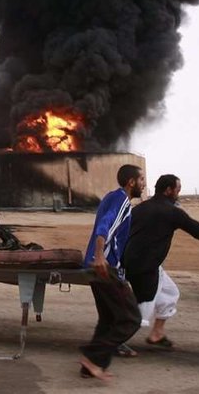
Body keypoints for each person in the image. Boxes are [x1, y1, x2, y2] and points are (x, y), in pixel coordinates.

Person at [122, 174, 199, 349]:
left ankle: (157, 334)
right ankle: (114, 342)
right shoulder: (172, 212)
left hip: (140, 263)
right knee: (143, 309)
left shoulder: (140, 208)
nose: (178, 193)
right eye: (177, 189)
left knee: (170, 294)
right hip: (145, 266)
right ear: (168, 190)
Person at [79, 164, 144, 382]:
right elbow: (105, 226)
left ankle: (89, 368)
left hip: (94, 266)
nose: (144, 184)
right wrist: (100, 256)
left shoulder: (110, 197)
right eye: (141, 180)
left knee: (107, 319)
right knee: (130, 318)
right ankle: (93, 358)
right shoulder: (122, 201)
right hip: (103, 267)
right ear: (131, 182)